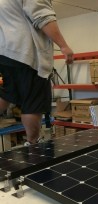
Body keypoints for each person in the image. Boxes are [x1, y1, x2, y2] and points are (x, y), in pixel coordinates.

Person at [0, 0, 74, 145]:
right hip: (26, 53)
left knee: (6, 93)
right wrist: (64, 46)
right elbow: (43, 17)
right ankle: (33, 142)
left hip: (5, 53)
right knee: (33, 102)